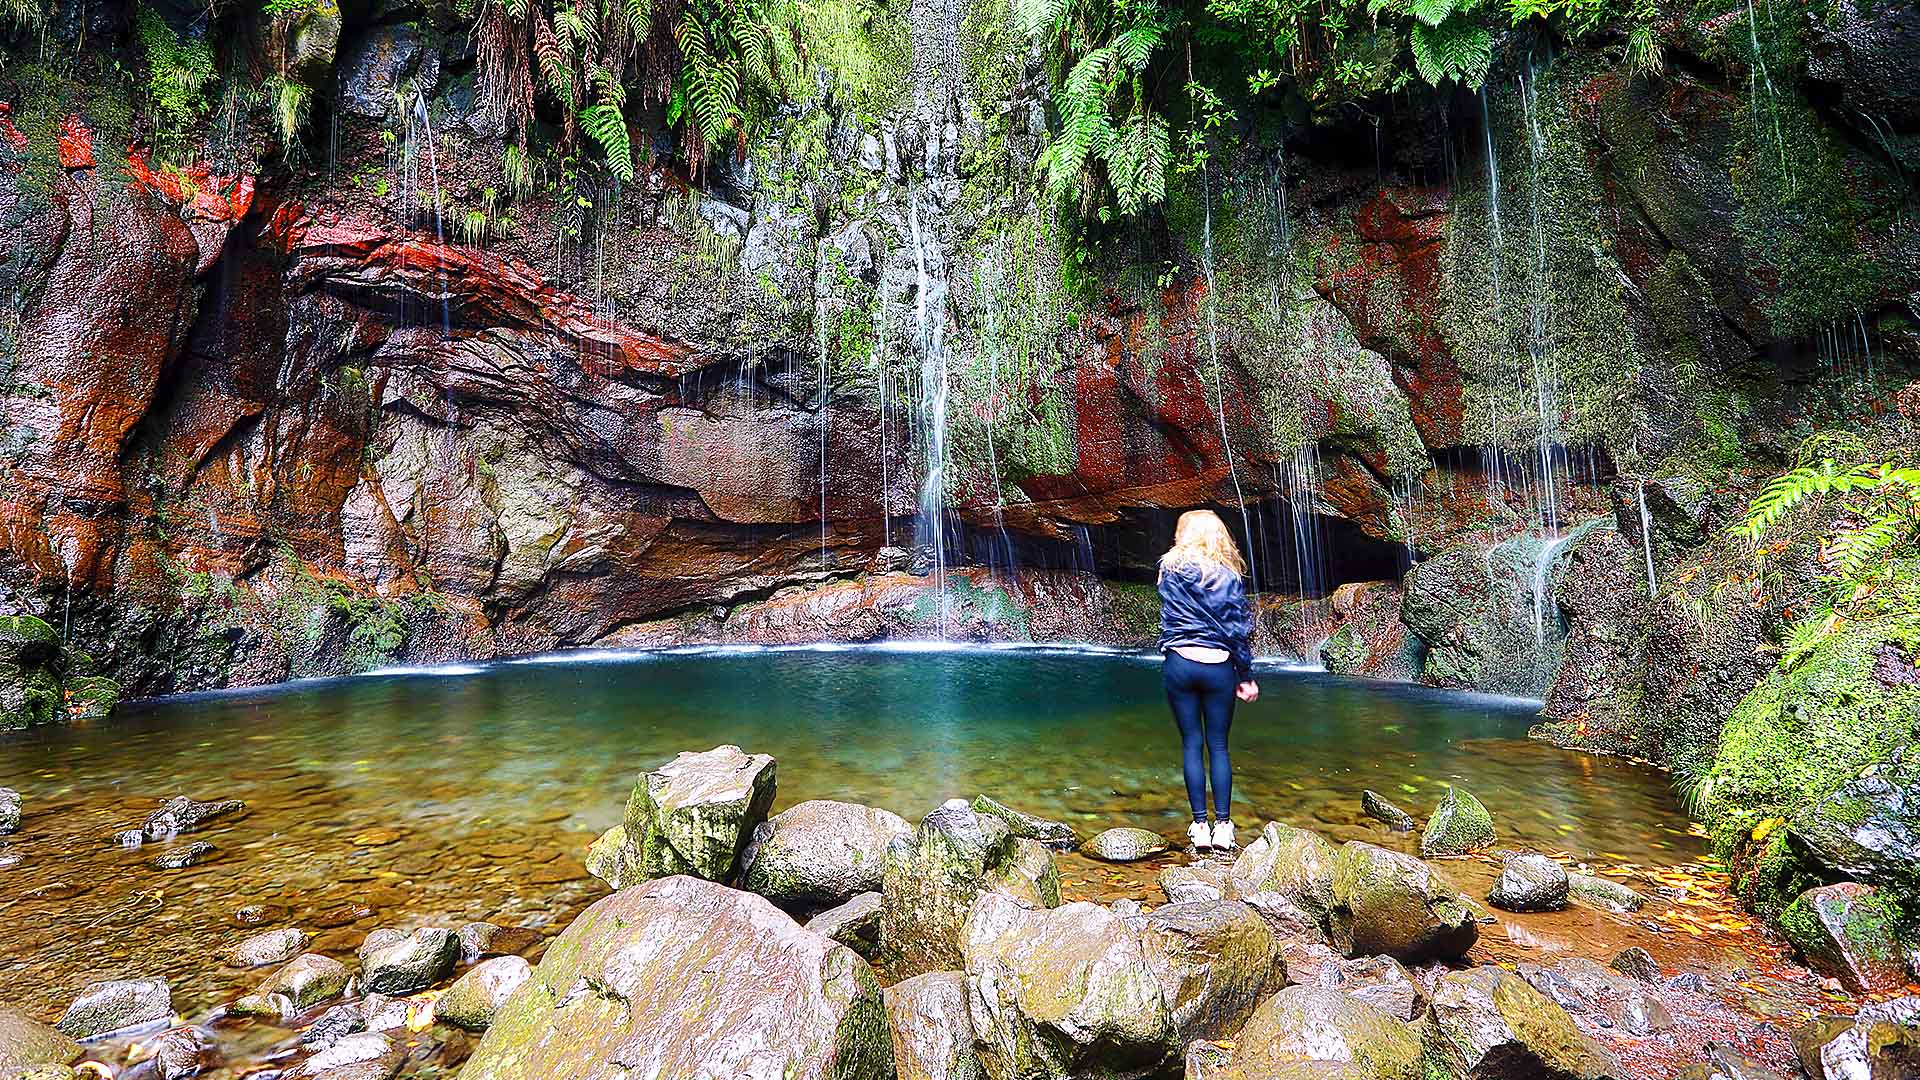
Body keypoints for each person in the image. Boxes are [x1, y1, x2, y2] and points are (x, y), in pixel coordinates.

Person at [1156, 509, 1259, 853]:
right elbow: (1238, 631)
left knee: (1190, 743)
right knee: (1218, 746)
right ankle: (1224, 828)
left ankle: (1199, 825)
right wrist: (1245, 677)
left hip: (1179, 663)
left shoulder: (1168, 571)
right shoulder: (1229, 577)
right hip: (1218, 666)